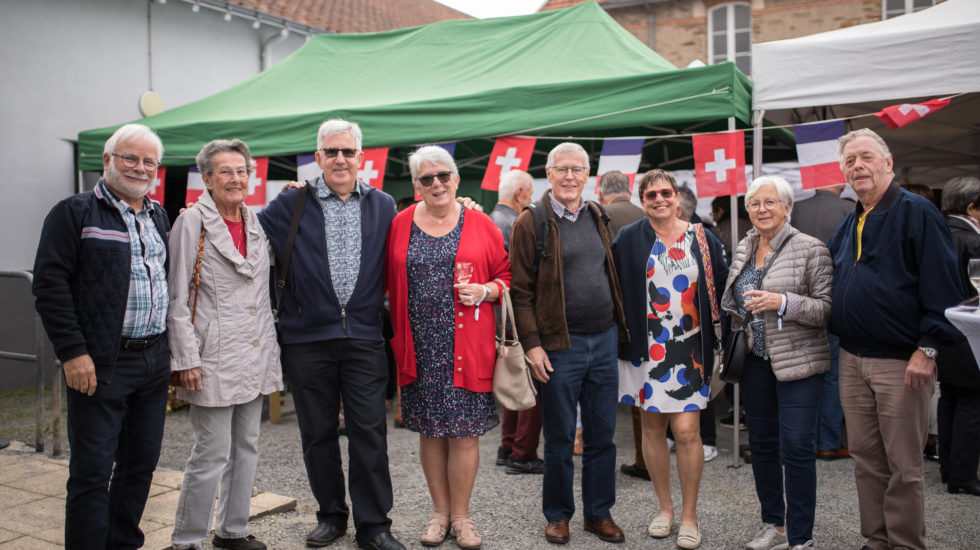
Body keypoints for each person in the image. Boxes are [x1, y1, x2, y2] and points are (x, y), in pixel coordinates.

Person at [257, 119, 404, 550]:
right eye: (331, 151)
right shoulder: (289, 205)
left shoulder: (384, 205)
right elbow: (243, 236)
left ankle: (374, 525)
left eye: (348, 151)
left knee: (369, 433)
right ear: (317, 158)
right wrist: (200, 213)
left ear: (362, 158)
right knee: (317, 433)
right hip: (307, 338)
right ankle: (331, 516)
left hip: (363, 336)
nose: (340, 159)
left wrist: (463, 202)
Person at [32, 124, 171, 549]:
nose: (140, 167)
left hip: (152, 361)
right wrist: (73, 353)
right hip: (100, 364)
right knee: (92, 473)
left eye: (149, 161)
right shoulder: (74, 212)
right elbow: (49, 285)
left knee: (139, 467)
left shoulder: (157, 214)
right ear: (107, 160)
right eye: (130, 157)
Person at [828, 128, 962, 550]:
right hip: (852, 358)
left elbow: (945, 286)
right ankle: (877, 539)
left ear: (889, 162)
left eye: (866, 157)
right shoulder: (851, 220)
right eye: (850, 161)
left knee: (904, 465)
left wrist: (928, 349)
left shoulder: (917, 212)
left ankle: (905, 543)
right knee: (867, 459)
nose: (858, 166)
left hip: (901, 361)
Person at [385, 146, 511, 549]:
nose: (436, 183)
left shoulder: (481, 223)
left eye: (444, 176)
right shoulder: (400, 224)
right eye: (427, 178)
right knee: (430, 434)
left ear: (457, 180)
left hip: (467, 345)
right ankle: (439, 513)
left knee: (465, 436)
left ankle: (462, 516)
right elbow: (386, 279)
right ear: (416, 185)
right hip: (419, 347)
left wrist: (488, 289)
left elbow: (507, 275)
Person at [167, 140, 284, 550]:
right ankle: (187, 539)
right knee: (211, 452)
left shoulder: (255, 221)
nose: (235, 179)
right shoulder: (192, 223)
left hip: (253, 352)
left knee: (247, 445)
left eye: (241, 171)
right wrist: (185, 358)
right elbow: (177, 296)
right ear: (208, 179)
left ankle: (233, 531)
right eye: (225, 172)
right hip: (212, 356)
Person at [510, 142, 629, 545]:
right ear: (549, 172)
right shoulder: (532, 221)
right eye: (562, 169)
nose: (569, 177)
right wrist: (532, 345)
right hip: (560, 346)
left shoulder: (599, 214)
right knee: (560, 438)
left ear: (588, 174)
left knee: (602, 436)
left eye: (577, 170)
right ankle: (558, 515)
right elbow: (520, 290)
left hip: (604, 340)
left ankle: (599, 514)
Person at [612, 169, 728, 550]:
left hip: (690, 349)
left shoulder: (702, 237)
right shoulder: (629, 238)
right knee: (651, 429)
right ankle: (664, 508)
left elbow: (724, 287)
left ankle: (690, 514)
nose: (659, 199)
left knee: (687, 432)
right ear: (642, 200)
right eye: (651, 195)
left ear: (677, 197)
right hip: (646, 350)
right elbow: (611, 284)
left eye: (666, 192)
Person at [721, 176, 832, 550]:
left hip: (798, 362)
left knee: (797, 446)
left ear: (787, 207)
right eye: (755, 203)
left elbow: (825, 310)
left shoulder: (810, 248)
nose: (762, 210)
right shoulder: (744, 246)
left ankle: (802, 537)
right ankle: (775, 525)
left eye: (770, 202)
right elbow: (735, 298)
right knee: (763, 445)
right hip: (755, 361)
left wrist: (782, 303)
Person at [789, 185, 852, 461]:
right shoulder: (850, 210)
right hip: (836, 300)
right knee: (832, 373)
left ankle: (804, 440)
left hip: (798, 301)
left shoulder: (796, 209)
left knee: (804, 370)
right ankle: (827, 440)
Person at [488, 169, 544, 475]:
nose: (532, 199)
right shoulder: (517, 223)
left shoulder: (487, 220)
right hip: (516, 314)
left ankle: (507, 445)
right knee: (530, 382)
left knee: (512, 376)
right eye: (531, 193)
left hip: (497, 315)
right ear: (521, 193)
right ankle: (522, 451)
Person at [596, 170, 650, 480]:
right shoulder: (647, 214)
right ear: (629, 190)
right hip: (648, 311)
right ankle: (645, 458)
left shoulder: (600, 213)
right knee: (643, 390)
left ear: (602, 192)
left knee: (605, 387)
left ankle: (599, 456)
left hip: (611, 312)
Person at [936, 176, 980, 496]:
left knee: (949, 396)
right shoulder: (974, 241)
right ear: (971, 207)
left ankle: (948, 467)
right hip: (969, 329)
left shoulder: (936, 234)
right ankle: (963, 475)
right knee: (972, 401)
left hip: (939, 328)